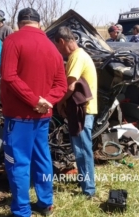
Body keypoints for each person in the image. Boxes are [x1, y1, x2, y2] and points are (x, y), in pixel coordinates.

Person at [0, 8, 67, 217]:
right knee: (42, 158)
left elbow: (9, 76)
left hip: (19, 116)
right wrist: (46, 101)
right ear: (38, 23)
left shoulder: (13, 41)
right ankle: (45, 203)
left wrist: (34, 100)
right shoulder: (52, 47)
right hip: (43, 116)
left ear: (19, 23)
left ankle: (21, 215)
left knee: (17, 163)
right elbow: (61, 85)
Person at [54, 26, 97, 199]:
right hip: (85, 110)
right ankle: (85, 183)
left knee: (82, 150)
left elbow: (70, 86)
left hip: (83, 111)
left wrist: (59, 102)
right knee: (80, 149)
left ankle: (88, 190)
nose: (58, 50)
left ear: (62, 42)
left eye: (57, 46)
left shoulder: (76, 57)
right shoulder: (81, 55)